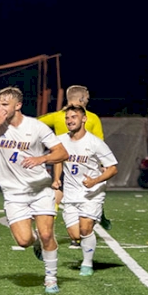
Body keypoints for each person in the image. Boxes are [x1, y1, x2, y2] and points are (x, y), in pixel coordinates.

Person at [0, 86, 69, 294]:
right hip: (14, 194)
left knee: (47, 233)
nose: (0, 108)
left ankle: (51, 278)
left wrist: (43, 158)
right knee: (23, 241)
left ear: (18, 105)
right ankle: (36, 242)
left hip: (40, 189)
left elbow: (62, 152)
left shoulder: (36, 126)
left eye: (5, 104)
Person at [38, 85, 112, 249]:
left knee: (64, 192)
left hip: (73, 163)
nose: (88, 99)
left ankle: (52, 226)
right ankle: (60, 232)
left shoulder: (57, 116)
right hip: (73, 164)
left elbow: (36, 123)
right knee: (66, 195)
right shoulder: (92, 118)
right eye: (87, 97)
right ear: (81, 99)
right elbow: (100, 140)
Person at [52, 105, 118, 276]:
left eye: (74, 117)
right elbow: (58, 159)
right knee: (75, 235)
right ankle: (98, 217)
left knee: (85, 229)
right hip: (71, 193)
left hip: (92, 193)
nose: (69, 121)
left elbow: (112, 168)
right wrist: (57, 178)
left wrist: (95, 180)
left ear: (83, 119)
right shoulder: (60, 141)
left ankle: (87, 264)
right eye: (67, 118)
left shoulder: (95, 143)